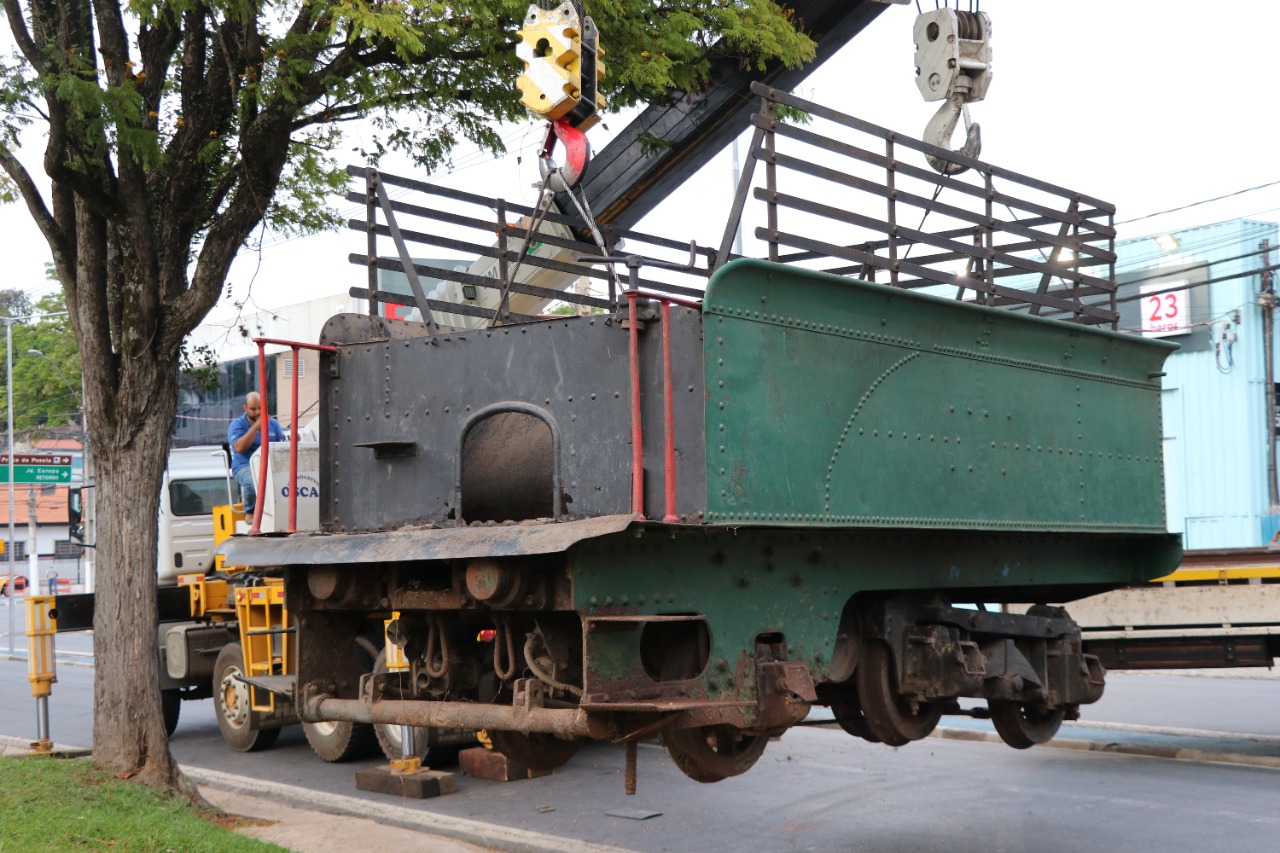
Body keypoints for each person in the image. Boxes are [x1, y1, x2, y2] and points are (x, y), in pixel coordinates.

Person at [228, 392, 284, 515]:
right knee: (252, 482)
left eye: (260, 408)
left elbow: (283, 442)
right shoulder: (237, 424)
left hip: (270, 466)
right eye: (253, 409)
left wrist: (294, 438)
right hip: (244, 465)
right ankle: (250, 512)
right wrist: (255, 428)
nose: (258, 412)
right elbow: (239, 447)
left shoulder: (273, 424)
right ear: (245, 408)